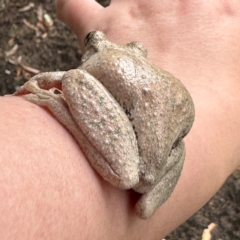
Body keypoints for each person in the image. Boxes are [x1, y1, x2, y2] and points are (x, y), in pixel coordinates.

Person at [1, 0, 240, 239]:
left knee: (74, 79)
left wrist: (52, 100)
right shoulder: (152, 76)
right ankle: (147, 192)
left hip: (131, 162)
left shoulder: (102, 57)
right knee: (174, 143)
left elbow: (49, 80)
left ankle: (61, 110)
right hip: (157, 162)